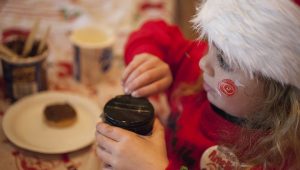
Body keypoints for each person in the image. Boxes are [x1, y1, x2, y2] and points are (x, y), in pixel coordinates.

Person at [96, 0, 300, 169]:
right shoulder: (195, 68)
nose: (204, 63)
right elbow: (155, 31)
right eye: (209, 44)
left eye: (224, 61)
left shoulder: (279, 158)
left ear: (278, 91)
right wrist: (147, 57)